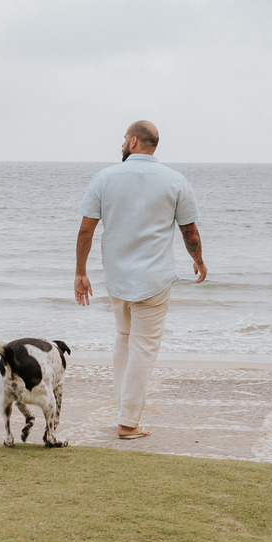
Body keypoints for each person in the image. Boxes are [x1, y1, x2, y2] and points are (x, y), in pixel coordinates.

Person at [74, 120, 207, 440]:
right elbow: (189, 230)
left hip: (117, 278)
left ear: (134, 141)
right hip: (154, 279)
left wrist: (80, 272)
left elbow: (86, 230)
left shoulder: (104, 178)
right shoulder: (176, 181)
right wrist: (199, 261)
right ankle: (128, 422)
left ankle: (125, 411)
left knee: (124, 338)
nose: (121, 144)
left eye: (124, 139)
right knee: (143, 348)